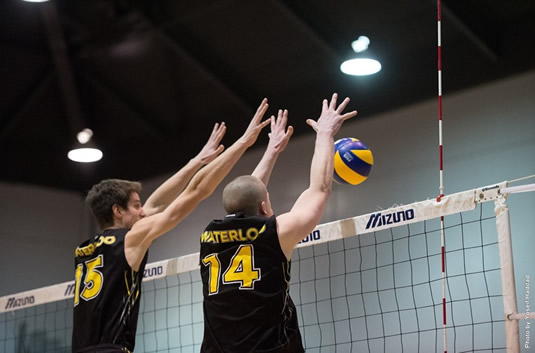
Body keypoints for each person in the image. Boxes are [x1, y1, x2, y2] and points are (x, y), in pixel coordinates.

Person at [72, 99, 272, 353]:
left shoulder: (84, 249)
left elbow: (155, 205)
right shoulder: (130, 239)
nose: (143, 210)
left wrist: (197, 161)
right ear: (117, 210)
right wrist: (243, 143)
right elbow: (196, 193)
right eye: (135, 206)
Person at [200, 93, 357, 352]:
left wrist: (272, 151)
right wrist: (325, 133)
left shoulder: (209, 236)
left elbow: (244, 195)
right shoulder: (274, 233)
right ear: (264, 207)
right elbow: (320, 189)